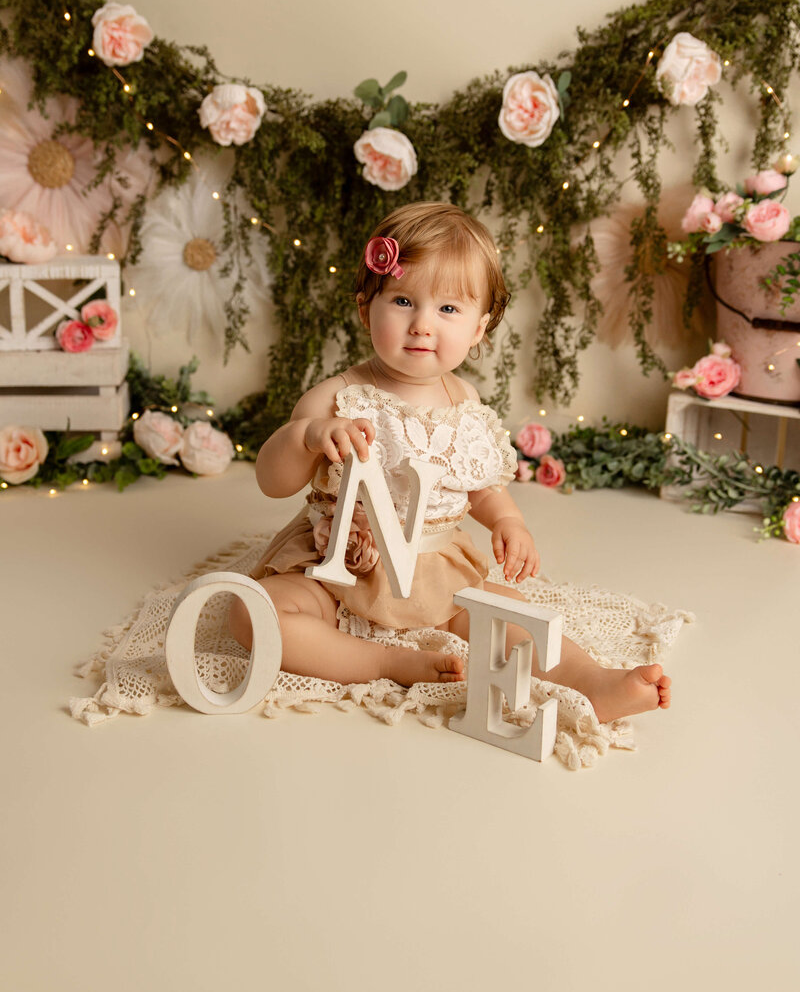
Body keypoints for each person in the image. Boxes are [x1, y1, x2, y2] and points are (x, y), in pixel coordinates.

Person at [230, 202, 671, 723]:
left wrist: (508, 520)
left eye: (447, 310)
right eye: (401, 300)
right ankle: (380, 661)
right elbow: (271, 481)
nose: (421, 325)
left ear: (480, 328)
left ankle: (592, 682)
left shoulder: (465, 399)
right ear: (364, 307)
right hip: (336, 568)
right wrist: (306, 437)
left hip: (435, 567)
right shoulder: (339, 398)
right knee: (251, 614)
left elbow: (478, 483)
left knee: (516, 615)